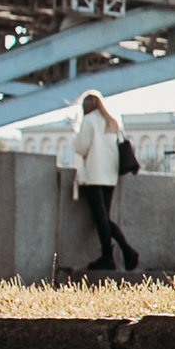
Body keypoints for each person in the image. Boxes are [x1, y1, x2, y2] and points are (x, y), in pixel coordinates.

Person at [69, 88, 142, 274]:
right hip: (110, 177)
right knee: (104, 218)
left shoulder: (90, 120)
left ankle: (117, 253)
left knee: (101, 219)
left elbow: (80, 147)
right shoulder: (112, 122)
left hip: (94, 175)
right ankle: (118, 253)